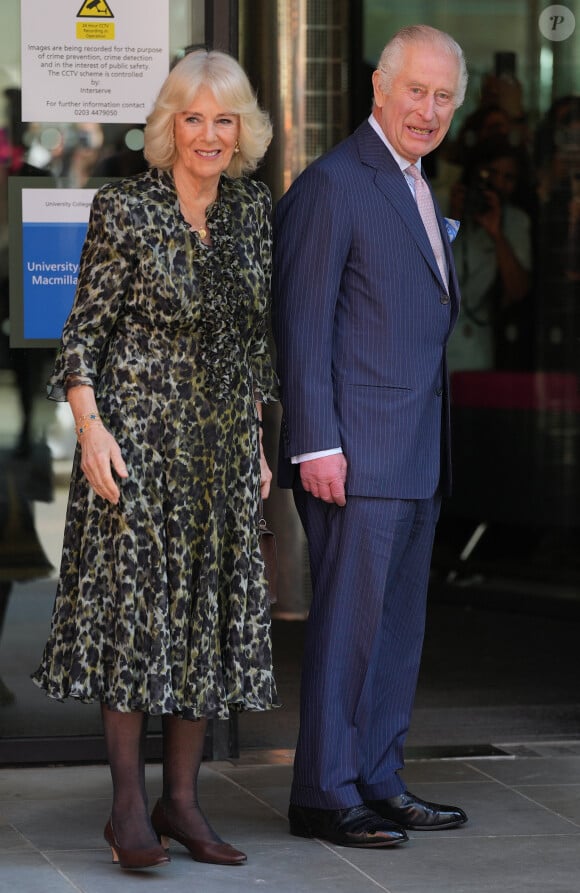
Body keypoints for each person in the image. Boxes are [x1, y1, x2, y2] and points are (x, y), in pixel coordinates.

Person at [32, 49, 278, 871]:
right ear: (168, 125)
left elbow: (250, 343)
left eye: (224, 118)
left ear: (243, 129)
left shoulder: (251, 210)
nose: (208, 134)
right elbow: (81, 335)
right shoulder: (124, 208)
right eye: (193, 117)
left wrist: (254, 439)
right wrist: (91, 426)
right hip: (134, 446)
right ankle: (128, 806)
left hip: (216, 453)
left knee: (200, 619)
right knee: (136, 622)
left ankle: (182, 800)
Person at [272, 24, 469, 849]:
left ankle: (378, 777)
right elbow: (302, 323)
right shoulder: (334, 183)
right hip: (353, 453)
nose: (428, 110)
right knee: (350, 627)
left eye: (443, 97)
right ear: (379, 90)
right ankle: (323, 790)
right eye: (415, 91)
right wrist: (315, 440)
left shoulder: (420, 183)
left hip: (415, 448)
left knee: (396, 628)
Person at [447, 136, 533, 371]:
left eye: (508, 178)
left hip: (474, 345)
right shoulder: (441, 203)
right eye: (491, 173)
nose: (497, 184)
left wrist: (497, 234)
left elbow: (518, 290)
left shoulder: (515, 221)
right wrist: (453, 218)